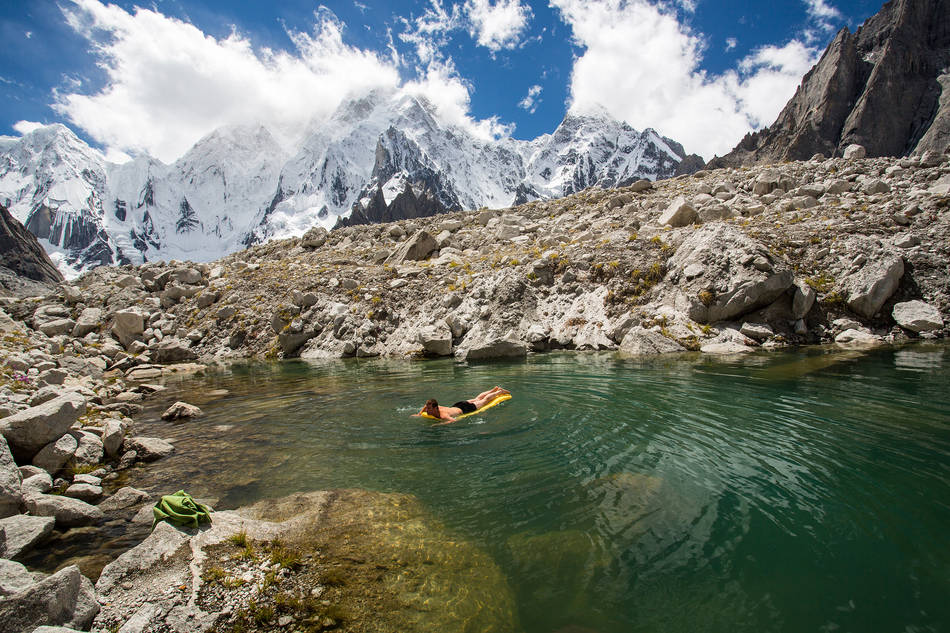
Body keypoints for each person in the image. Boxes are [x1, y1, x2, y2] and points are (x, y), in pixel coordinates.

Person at [413, 386, 510, 424]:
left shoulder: (443, 415)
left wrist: (440, 424)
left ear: (435, 408)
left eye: (429, 409)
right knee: (476, 398)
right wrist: (419, 413)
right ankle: (494, 389)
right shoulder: (431, 407)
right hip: (457, 405)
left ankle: (498, 392)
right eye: (428, 408)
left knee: (484, 401)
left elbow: (452, 420)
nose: (427, 410)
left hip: (465, 408)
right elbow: (425, 407)